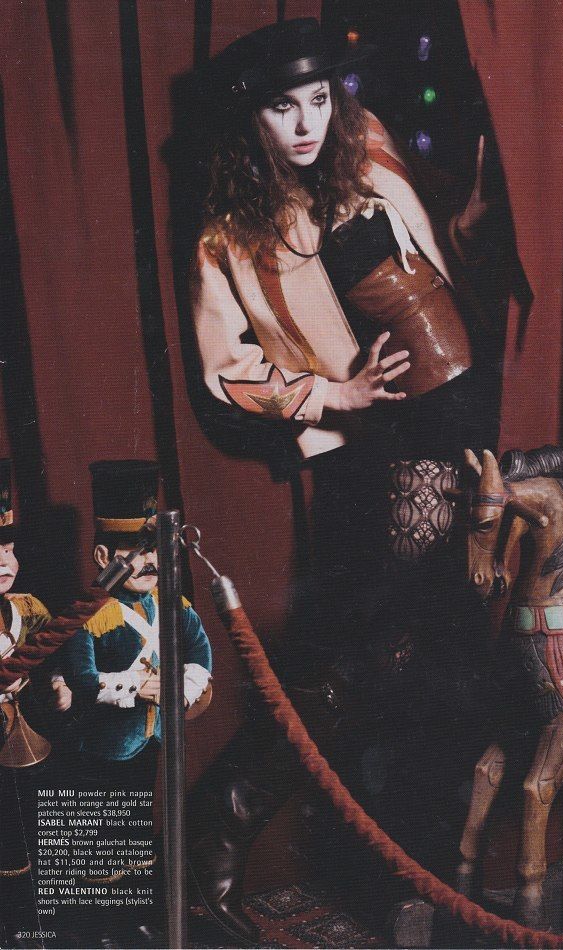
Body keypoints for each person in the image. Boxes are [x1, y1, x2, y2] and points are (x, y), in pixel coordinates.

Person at [187, 17, 510, 941]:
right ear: (250, 118)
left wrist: (466, 224)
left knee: (436, 656)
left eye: (319, 99)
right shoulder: (230, 234)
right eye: (283, 107)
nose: (306, 124)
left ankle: (415, 879)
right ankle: (238, 812)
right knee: (378, 655)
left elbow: (424, 248)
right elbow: (225, 370)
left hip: (463, 416)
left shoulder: (365, 146)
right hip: (381, 446)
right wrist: (334, 393)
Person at [59, 460, 212, 942]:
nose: (149, 562)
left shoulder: (172, 605)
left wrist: (182, 688)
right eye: (135, 552)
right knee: (102, 840)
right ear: (103, 555)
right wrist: (134, 687)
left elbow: (200, 653)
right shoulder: (89, 614)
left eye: (154, 551)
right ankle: (97, 928)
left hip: (150, 740)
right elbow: (83, 681)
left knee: (138, 832)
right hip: (103, 747)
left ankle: (135, 921)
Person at [0, 458, 57, 946]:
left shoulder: (27, 608)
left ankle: (28, 929)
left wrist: (55, 683)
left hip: (24, 739)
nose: (5, 563)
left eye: (9, 549)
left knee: (25, 833)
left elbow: (52, 658)